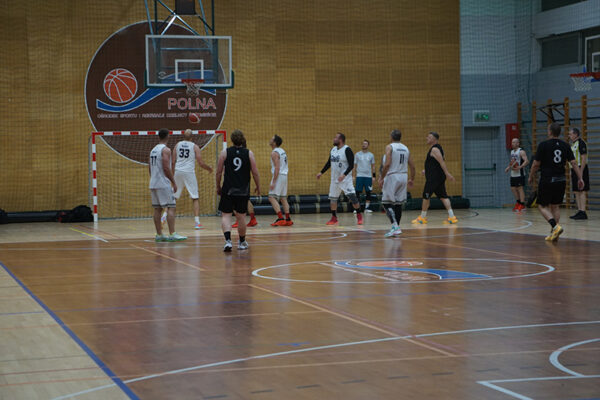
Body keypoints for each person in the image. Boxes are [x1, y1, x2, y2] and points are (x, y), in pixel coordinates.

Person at [528, 123, 584, 241]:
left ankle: (555, 227)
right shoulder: (565, 145)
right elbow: (573, 163)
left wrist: (531, 176)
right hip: (561, 179)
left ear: (549, 132)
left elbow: (536, 164)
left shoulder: (543, 145)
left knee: (542, 206)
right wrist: (580, 178)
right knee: (555, 206)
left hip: (547, 179)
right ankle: (555, 234)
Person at [216, 129, 260, 251]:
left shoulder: (225, 152)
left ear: (232, 139)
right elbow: (255, 172)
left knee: (226, 215)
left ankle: (228, 241)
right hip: (243, 190)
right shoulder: (249, 153)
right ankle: (241, 242)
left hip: (228, 189)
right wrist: (258, 186)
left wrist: (218, 186)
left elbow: (218, 172)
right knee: (241, 217)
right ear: (242, 139)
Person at [161, 129, 213, 229]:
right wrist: (209, 168)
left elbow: (173, 162)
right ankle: (197, 222)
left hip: (178, 171)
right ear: (192, 137)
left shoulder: (177, 145)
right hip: (189, 173)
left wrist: (172, 175)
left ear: (183, 136)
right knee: (195, 197)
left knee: (173, 197)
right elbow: (200, 163)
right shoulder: (194, 146)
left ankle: (164, 216)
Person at [316, 132, 363, 225]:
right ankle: (334, 218)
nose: (334, 139)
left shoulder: (347, 149)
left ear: (340, 140)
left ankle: (359, 215)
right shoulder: (333, 149)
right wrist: (321, 172)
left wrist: (344, 175)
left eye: (336, 138)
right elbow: (329, 162)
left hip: (345, 180)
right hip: (334, 179)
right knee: (333, 199)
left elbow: (351, 165)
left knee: (353, 198)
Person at [149, 128, 186, 242]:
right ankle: (172, 233)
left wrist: (153, 178)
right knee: (171, 207)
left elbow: (149, 167)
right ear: (168, 136)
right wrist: (173, 182)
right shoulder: (166, 150)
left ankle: (159, 234)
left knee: (157, 209)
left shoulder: (153, 150)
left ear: (158, 136)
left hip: (153, 182)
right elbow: (166, 167)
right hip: (163, 183)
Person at [412, 132, 457, 225]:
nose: (427, 138)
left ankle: (422, 218)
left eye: (429, 137)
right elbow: (435, 163)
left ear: (434, 139)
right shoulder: (438, 148)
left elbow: (442, 162)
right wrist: (426, 170)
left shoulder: (435, 149)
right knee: (443, 196)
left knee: (426, 196)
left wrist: (447, 173)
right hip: (438, 177)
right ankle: (452, 217)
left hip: (434, 178)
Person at [379, 130, 415, 237]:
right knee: (398, 203)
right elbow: (412, 166)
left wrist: (381, 178)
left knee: (386, 203)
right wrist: (412, 179)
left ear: (391, 137)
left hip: (392, 176)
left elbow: (387, 164)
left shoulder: (390, 147)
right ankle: (397, 227)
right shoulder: (406, 148)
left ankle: (395, 226)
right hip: (403, 176)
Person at [231, 137, 258, 228]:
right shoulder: (248, 153)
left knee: (232, 200)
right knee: (246, 200)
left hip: (236, 180)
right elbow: (253, 170)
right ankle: (253, 219)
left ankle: (238, 221)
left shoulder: (233, 153)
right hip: (245, 180)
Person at [268, 135, 293, 226]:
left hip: (279, 176)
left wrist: (274, 182)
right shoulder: (282, 151)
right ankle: (288, 219)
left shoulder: (274, 153)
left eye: (272, 138)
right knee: (283, 198)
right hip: (284, 176)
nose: (270, 139)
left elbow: (277, 168)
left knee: (271, 197)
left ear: (274, 142)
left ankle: (280, 218)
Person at [568, 127, 589, 220]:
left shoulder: (581, 143)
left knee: (582, 190)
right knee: (576, 190)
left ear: (576, 134)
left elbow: (583, 158)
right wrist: (571, 170)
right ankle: (580, 210)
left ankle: (583, 212)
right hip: (574, 169)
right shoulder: (573, 144)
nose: (569, 136)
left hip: (581, 168)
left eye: (570, 134)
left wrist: (581, 171)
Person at [504, 138, 529, 212]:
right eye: (512, 142)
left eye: (514, 142)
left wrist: (520, 167)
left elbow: (526, 161)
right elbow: (513, 162)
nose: (512, 144)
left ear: (518, 143)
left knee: (520, 188)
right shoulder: (512, 152)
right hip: (513, 173)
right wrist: (508, 167)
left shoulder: (521, 151)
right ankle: (518, 203)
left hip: (520, 173)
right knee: (513, 188)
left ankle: (522, 205)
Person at [354, 139, 376, 213]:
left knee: (368, 192)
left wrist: (374, 176)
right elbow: (354, 166)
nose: (364, 145)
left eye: (365, 144)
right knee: (357, 192)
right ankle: (357, 209)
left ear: (368, 145)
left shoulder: (371, 155)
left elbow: (373, 166)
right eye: (363, 144)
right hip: (359, 176)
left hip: (368, 177)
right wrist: (353, 176)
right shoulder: (357, 154)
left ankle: (366, 208)